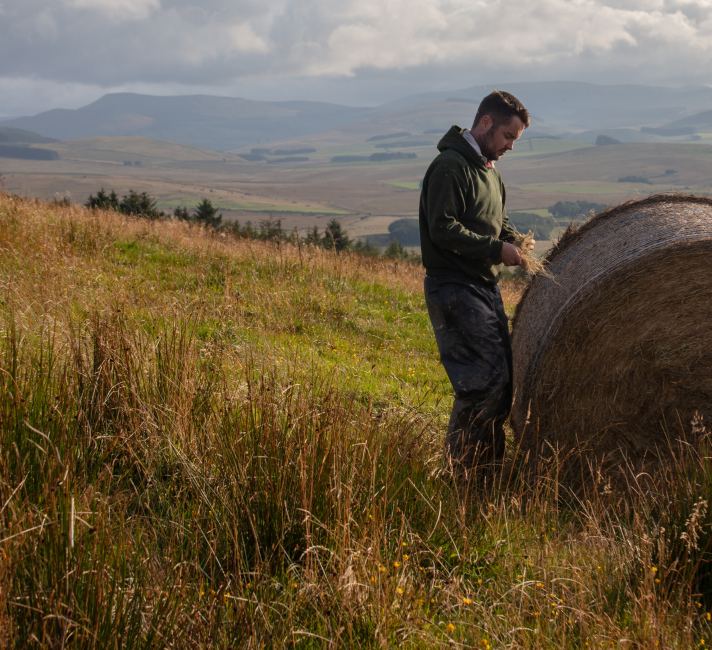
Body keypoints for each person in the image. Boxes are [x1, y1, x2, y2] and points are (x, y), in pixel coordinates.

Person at [419, 90, 533, 479]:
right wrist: (495, 249)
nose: (510, 147)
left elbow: (495, 223)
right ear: (485, 123)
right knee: (480, 384)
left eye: (515, 140)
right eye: (508, 136)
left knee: (501, 384)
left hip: (483, 288)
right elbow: (443, 229)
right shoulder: (451, 166)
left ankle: (488, 471)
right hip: (454, 288)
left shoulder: (489, 172)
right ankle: (464, 475)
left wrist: (516, 243)